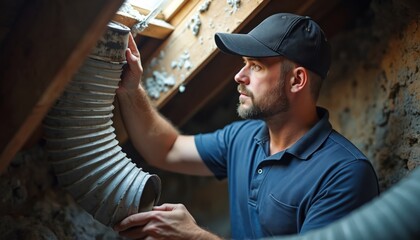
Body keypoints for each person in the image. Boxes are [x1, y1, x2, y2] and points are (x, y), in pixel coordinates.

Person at [113, 13, 380, 239]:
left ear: (297, 80)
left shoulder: (344, 175)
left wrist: (196, 235)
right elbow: (166, 149)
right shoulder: (243, 137)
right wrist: (130, 90)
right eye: (244, 64)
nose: (239, 76)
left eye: (256, 66)